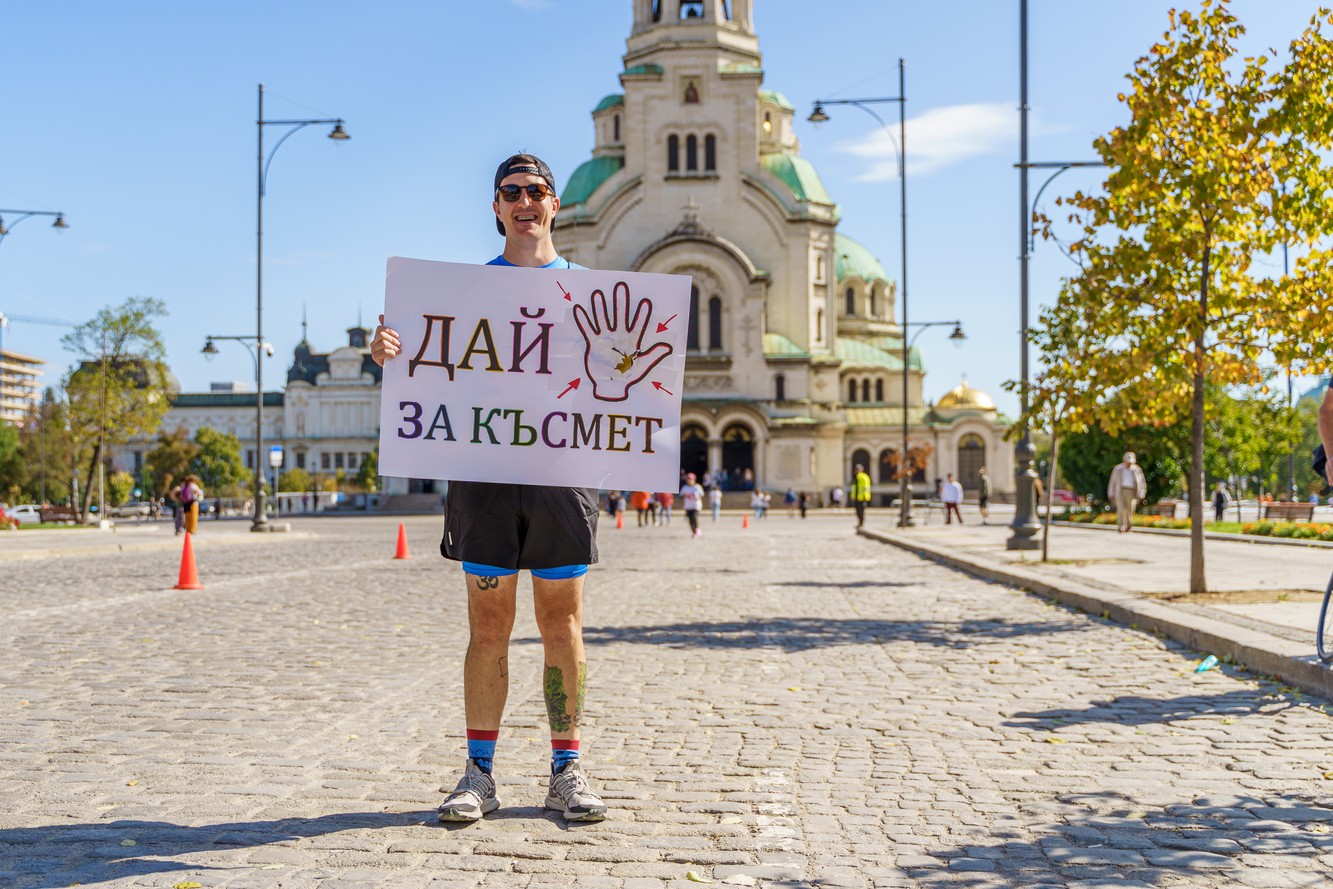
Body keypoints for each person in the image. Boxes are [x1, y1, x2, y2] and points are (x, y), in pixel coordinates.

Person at [370, 153, 606, 824]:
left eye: (536, 190)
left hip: (562, 476)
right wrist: (388, 348)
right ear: (497, 207)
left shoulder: (590, 289)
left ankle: (567, 768)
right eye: (511, 192)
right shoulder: (460, 294)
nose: (525, 201)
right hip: (484, 476)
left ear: (555, 204)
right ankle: (479, 772)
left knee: (562, 624)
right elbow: (423, 363)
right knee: (488, 626)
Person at [1107, 451, 1147, 533]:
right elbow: (1112, 481)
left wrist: (1142, 492)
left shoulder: (1137, 469)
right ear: (1124, 460)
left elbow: (1142, 482)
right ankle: (1121, 526)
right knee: (1120, 509)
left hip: (1131, 491)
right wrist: (1110, 492)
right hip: (1120, 490)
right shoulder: (1118, 469)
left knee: (1130, 509)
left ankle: (1129, 525)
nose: (1129, 464)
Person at [680, 473, 705, 538]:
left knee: (694, 517)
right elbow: (681, 496)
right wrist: (684, 495)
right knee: (690, 520)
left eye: (691, 479)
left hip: (696, 505)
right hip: (688, 506)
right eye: (688, 479)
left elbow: (702, 495)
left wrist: (698, 497)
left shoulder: (697, 487)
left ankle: (697, 530)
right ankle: (694, 532)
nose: (689, 481)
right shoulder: (685, 487)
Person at [851, 463, 872, 529]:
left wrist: (865, 496)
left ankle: (861, 522)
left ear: (861, 470)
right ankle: (860, 522)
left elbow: (866, 487)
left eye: (858, 469)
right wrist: (853, 495)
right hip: (857, 497)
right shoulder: (855, 477)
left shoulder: (864, 477)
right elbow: (854, 488)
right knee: (857, 511)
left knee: (861, 511)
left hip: (862, 497)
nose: (857, 470)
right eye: (856, 469)